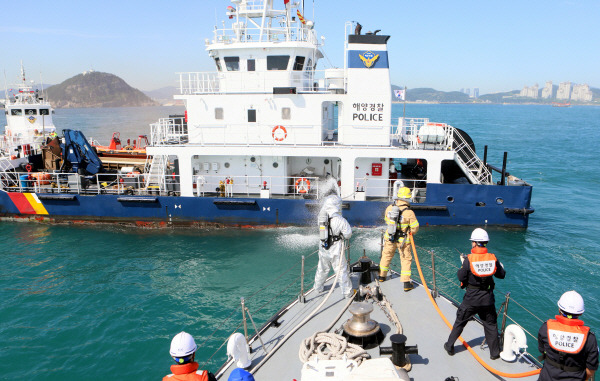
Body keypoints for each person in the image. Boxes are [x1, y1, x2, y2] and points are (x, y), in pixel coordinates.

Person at [443, 228, 505, 359]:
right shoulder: (493, 258)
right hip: (488, 299)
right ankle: (494, 353)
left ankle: (449, 346)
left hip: (471, 299)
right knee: (491, 325)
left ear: (475, 243)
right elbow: (501, 275)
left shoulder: (469, 259)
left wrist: (463, 265)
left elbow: (461, 277)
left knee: (460, 322)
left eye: (472, 242)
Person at [537, 291, 598, 381]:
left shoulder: (545, 328)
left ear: (559, 309)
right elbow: (591, 369)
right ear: (580, 313)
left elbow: (542, 351)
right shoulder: (590, 338)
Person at [379, 186, 419, 291]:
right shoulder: (409, 212)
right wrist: (410, 231)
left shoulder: (389, 208)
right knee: (405, 260)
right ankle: (406, 283)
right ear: (408, 198)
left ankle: (382, 276)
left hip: (390, 237)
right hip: (403, 241)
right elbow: (415, 227)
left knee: (386, 256)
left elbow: (386, 220)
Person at [314, 194, 354, 298]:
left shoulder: (321, 218)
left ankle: (318, 288)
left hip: (323, 248)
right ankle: (347, 292)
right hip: (336, 248)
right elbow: (348, 234)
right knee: (341, 271)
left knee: (322, 269)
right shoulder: (340, 220)